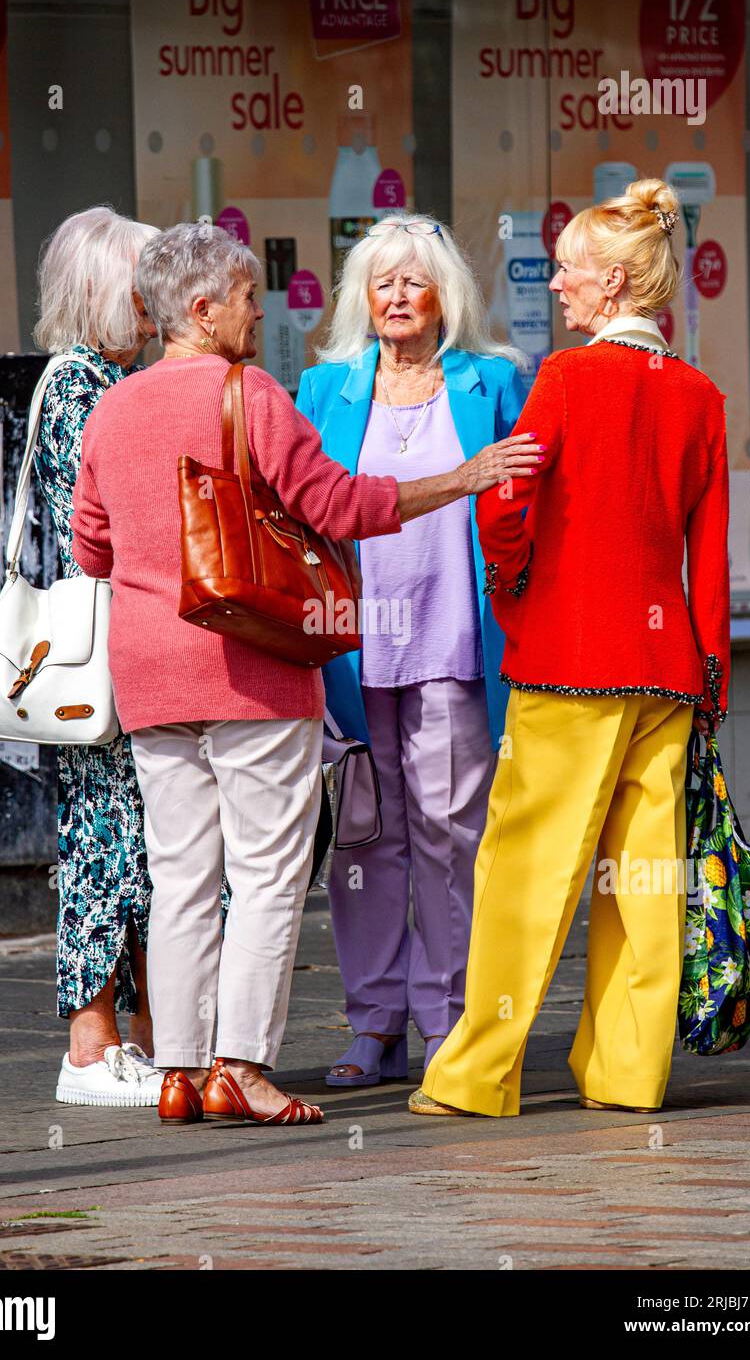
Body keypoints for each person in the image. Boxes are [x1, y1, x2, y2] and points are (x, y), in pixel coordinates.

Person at [68, 221, 537, 1126]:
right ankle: (239, 1065)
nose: (260, 312)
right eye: (247, 298)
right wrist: (459, 478)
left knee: (180, 879)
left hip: (152, 681)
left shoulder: (113, 408)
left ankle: (178, 1070)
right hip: (252, 671)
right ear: (202, 313)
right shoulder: (254, 395)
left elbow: (91, 548)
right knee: (269, 874)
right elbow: (335, 504)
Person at [410, 179, 730, 1118]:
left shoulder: (564, 380)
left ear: (617, 284)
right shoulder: (701, 397)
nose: (554, 285)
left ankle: (476, 1076)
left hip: (567, 657)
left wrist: (514, 590)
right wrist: (707, 672)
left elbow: (507, 499)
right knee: (641, 881)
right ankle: (629, 1076)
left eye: (569, 271)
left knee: (525, 869)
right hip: (665, 671)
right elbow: (704, 562)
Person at [296, 215, 533, 1088]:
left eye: (414, 282)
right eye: (381, 281)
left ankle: (446, 1021)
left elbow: (527, 512)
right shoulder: (322, 390)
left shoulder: (494, 383)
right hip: (352, 654)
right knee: (364, 840)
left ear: (445, 297)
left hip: (454, 642)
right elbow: (297, 511)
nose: (396, 297)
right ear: (362, 296)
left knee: (447, 836)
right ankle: (373, 1024)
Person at [34, 206, 165, 1107]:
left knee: (136, 841)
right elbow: (106, 527)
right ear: (101, 292)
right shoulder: (79, 384)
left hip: (123, 649)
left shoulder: (108, 381)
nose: (157, 303)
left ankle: (141, 1038)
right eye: (142, 286)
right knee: (102, 842)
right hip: (97, 655)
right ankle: (91, 1046)